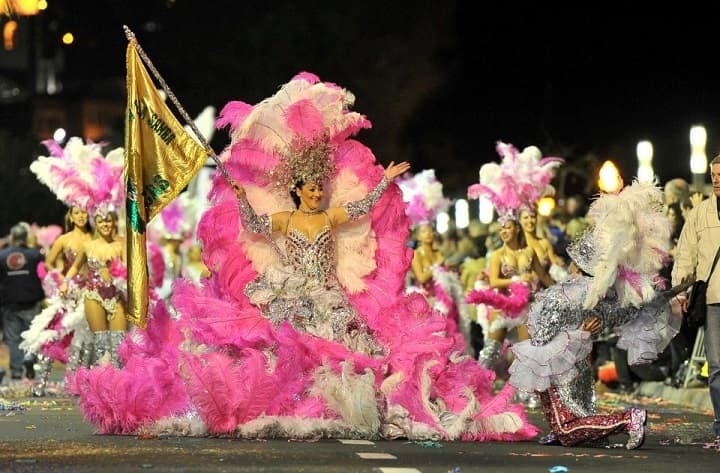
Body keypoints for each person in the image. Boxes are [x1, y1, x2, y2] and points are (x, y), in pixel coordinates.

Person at [69, 73, 539, 442]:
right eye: (310, 188)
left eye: (319, 187)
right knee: (277, 343)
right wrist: (240, 194)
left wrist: (383, 180)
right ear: (297, 189)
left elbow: (362, 209)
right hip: (289, 292)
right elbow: (252, 225)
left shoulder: (332, 215)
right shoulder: (285, 221)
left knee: (353, 347)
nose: (316, 193)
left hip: (329, 294)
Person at [509, 180, 681, 449]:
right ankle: (562, 425)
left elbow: (552, 325)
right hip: (568, 353)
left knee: (569, 428)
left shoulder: (582, 290)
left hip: (560, 355)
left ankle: (628, 420)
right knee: (571, 417)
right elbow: (615, 309)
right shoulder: (593, 290)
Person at [20, 205, 94, 395]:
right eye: (77, 213)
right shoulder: (64, 239)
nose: (81, 216)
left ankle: (78, 384)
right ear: (70, 216)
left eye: (84, 213)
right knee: (55, 333)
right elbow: (49, 262)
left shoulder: (95, 238)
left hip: (93, 292)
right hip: (69, 292)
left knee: (86, 338)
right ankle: (40, 384)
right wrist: (61, 279)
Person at [672, 155, 720, 440]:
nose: (716, 179)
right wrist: (680, 290)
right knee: (716, 366)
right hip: (713, 299)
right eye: (714, 174)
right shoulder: (701, 213)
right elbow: (685, 253)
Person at [63, 211, 127, 368]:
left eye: (108, 221)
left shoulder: (123, 245)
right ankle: (103, 380)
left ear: (114, 222)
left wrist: (115, 274)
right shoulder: (88, 246)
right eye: (100, 222)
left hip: (116, 296)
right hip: (94, 295)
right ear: (96, 224)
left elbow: (128, 270)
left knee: (119, 341)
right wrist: (65, 282)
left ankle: (118, 381)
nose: (105, 225)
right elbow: (76, 267)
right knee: (101, 341)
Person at [0, 223, 45, 381]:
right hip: (31, 302)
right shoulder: (35, 255)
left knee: (13, 338)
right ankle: (30, 359)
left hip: (9, 304)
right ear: (26, 237)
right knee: (32, 336)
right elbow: (42, 276)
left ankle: (17, 370)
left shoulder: (2, 255)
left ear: (12, 237)